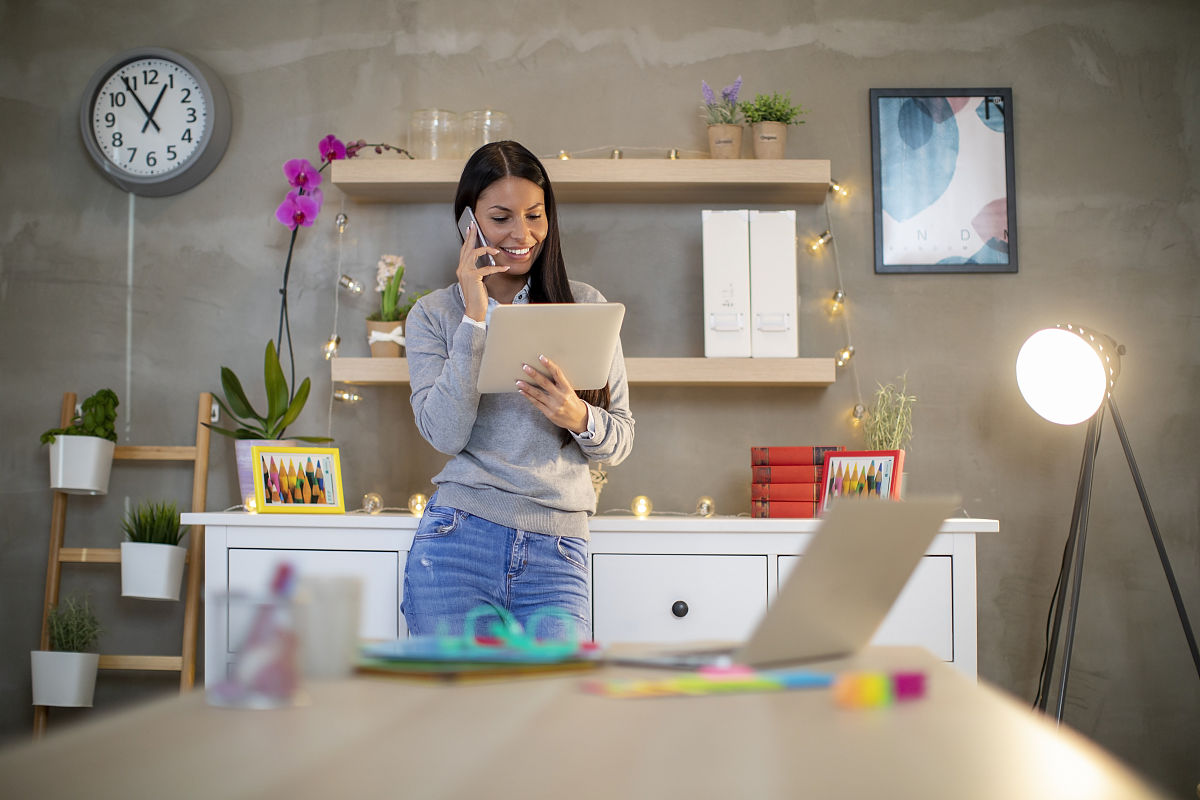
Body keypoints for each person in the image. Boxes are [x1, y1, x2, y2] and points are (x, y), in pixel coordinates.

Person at [401, 141, 635, 641]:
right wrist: (475, 318)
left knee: (551, 713)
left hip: (558, 550)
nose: (521, 234)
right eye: (501, 217)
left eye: (534, 215)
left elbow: (620, 442)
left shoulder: (586, 306)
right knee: (459, 715)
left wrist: (576, 415)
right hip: (456, 539)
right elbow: (444, 434)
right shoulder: (432, 315)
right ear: (469, 222)